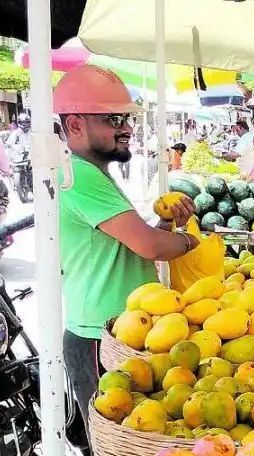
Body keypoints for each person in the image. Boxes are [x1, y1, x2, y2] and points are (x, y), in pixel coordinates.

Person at [53, 65, 198, 430]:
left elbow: (130, 243)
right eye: (113, 118)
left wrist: (166, 225)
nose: (126, 128)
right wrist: (192, 242)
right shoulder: (79, 175)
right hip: (98, 336)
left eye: (126, 118)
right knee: (113, 453)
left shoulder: (93, 172)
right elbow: (149, 246)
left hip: (124, 330)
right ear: (75, 125)